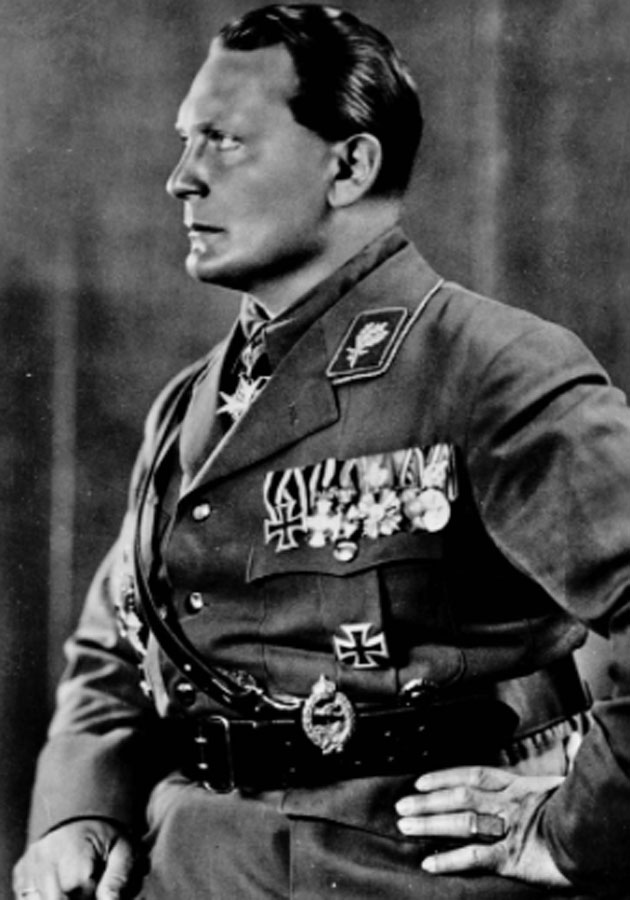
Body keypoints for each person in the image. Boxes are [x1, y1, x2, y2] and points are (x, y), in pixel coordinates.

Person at [13, 4, 630, 898]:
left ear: (349, 167)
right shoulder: (189, 404)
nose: (182, 179)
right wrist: (79, 812)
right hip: (189, 866)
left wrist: (582, 833)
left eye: (226, 142)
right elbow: (120, 641)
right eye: (186, 142)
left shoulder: (489, 368)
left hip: (406, 871)